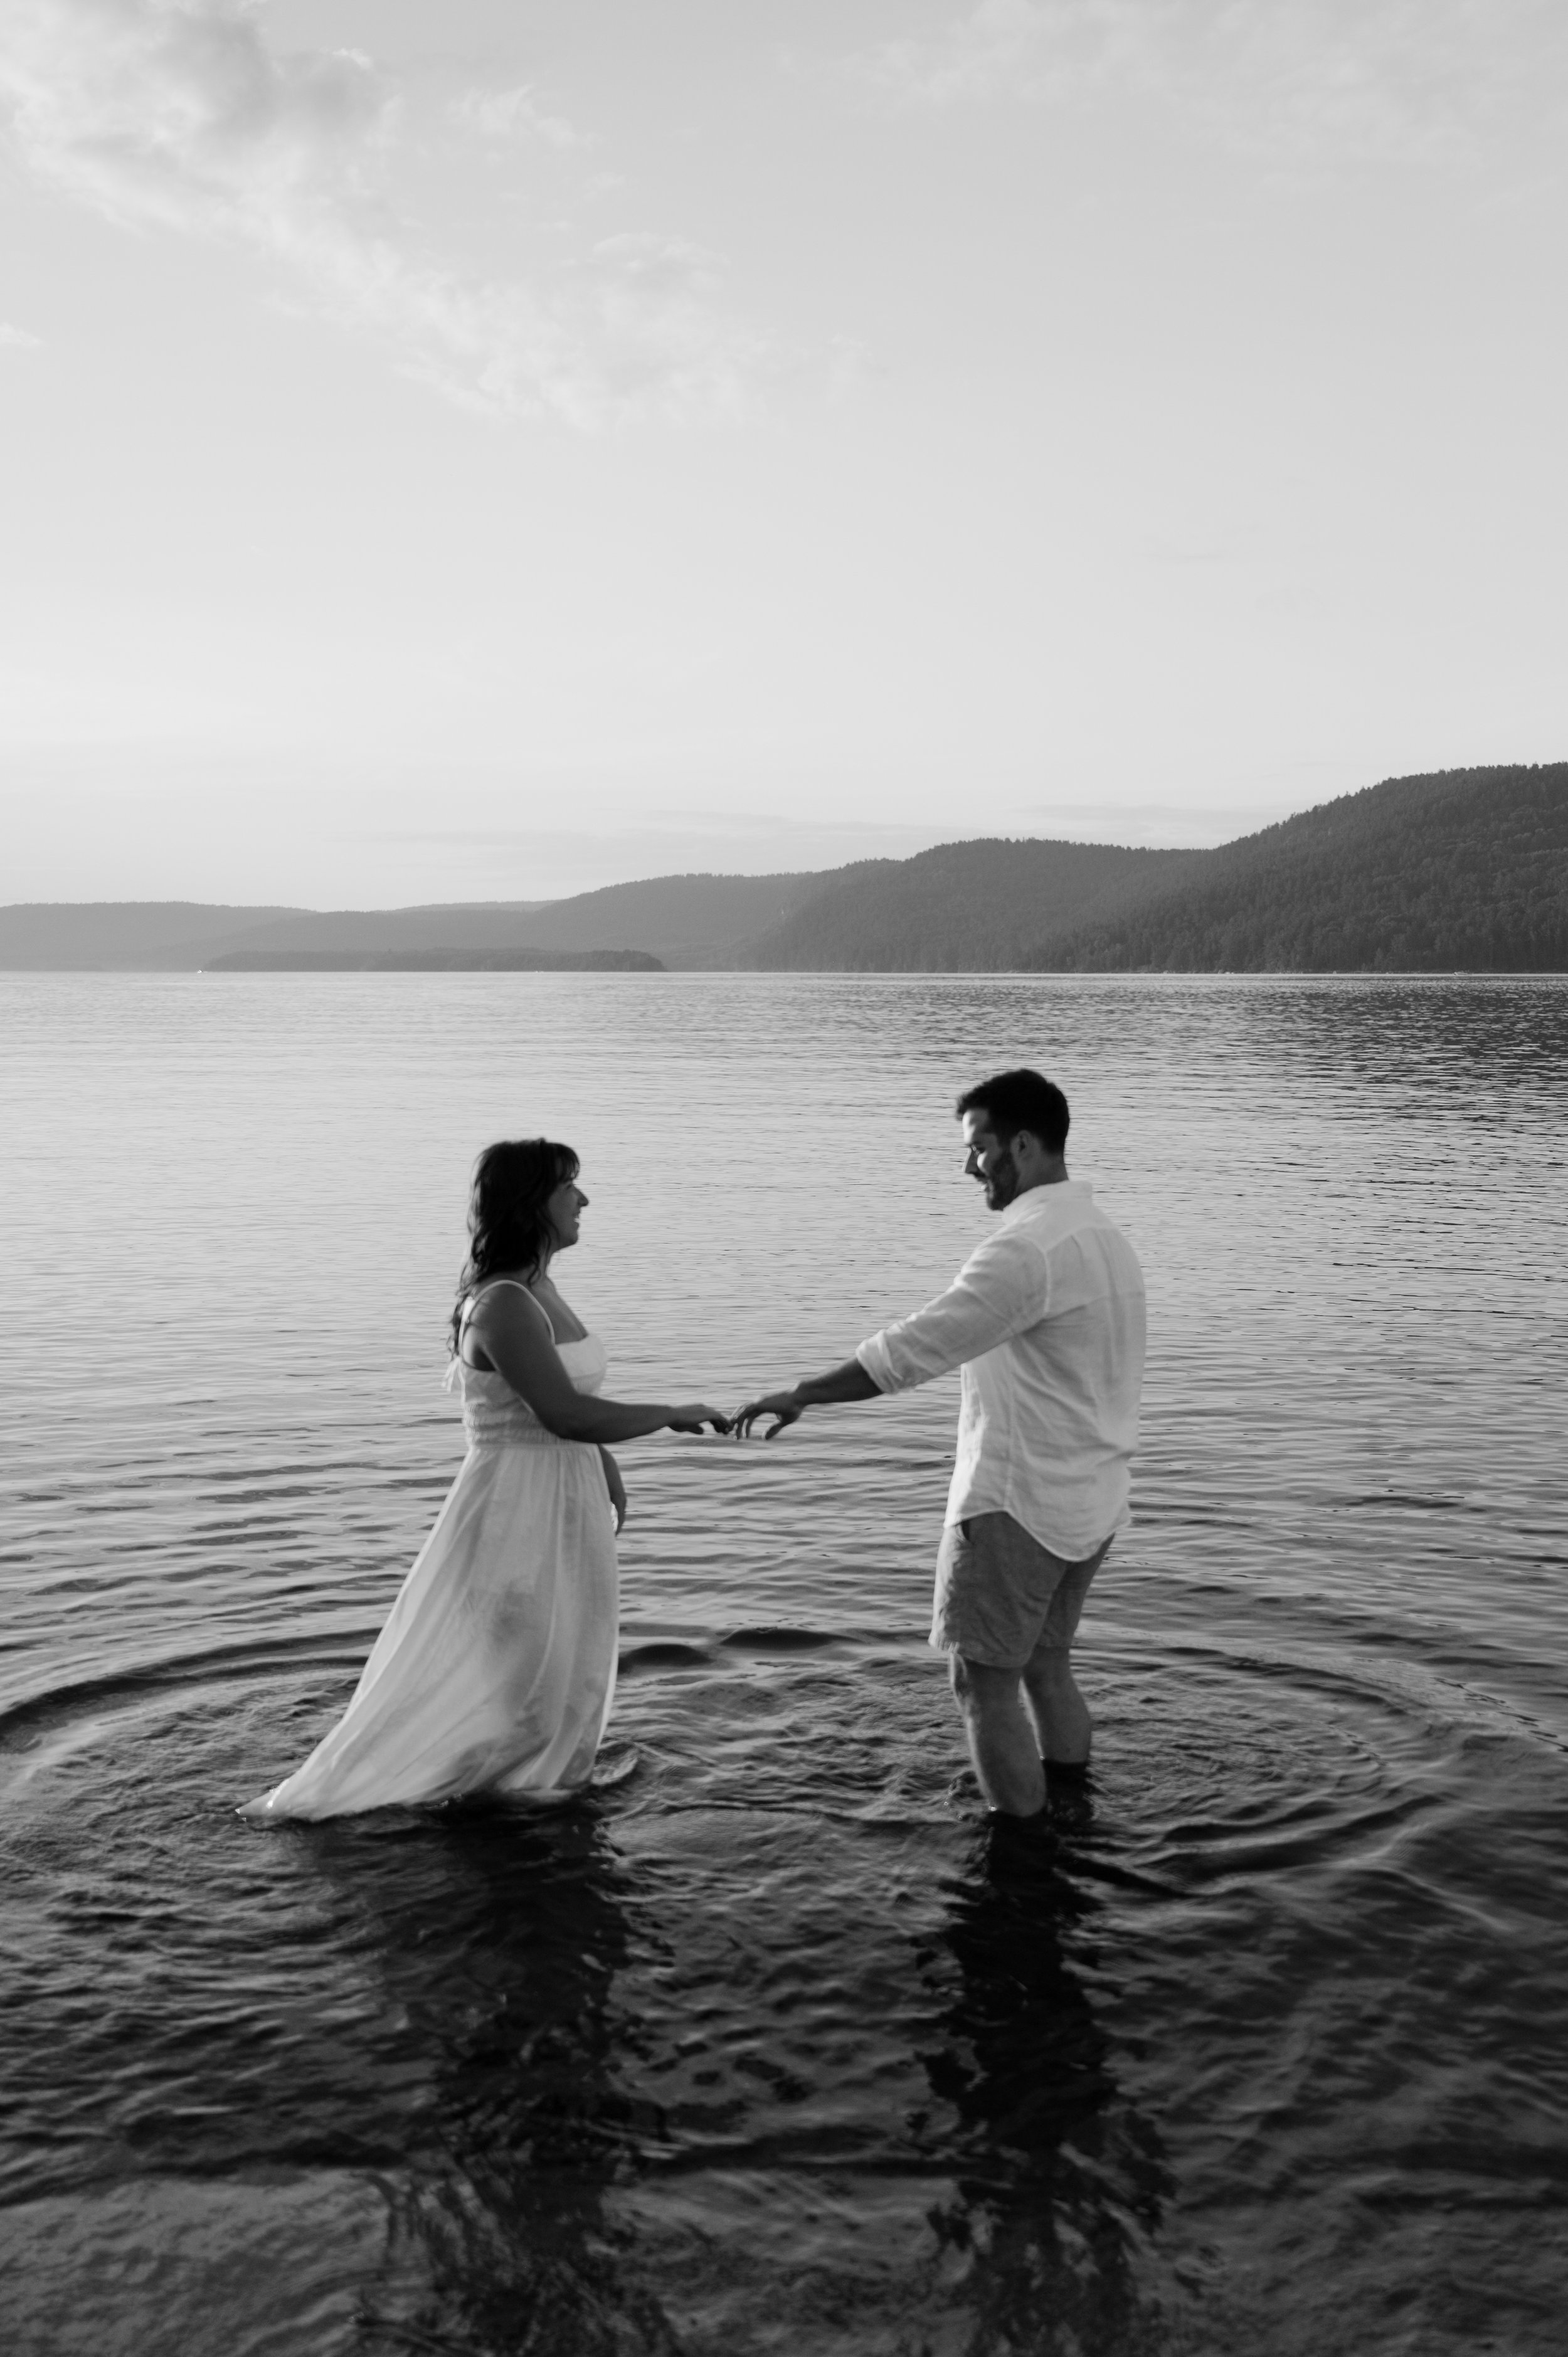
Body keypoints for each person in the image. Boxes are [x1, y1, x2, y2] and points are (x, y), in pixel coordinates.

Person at [243, 1138, 729, 1819]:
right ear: (533, 1203)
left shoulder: (541, 1288)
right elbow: (560, 1411)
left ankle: (529, 1793)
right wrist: (669, 1414)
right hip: (514, 1508)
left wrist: (603, 1459)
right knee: (522, 1663)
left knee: (565, 1657)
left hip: (562, 1495)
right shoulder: (504, 1303)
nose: (584, 1200)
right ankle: (470, 1797)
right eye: (570, 1187)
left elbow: (548, 1406)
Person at [736, 1069, 1145, 1821]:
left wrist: (802, 1393)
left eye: (979, 1148)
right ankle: (1071, 1815)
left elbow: (914, 1349)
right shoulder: (1105, 1237)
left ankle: (1021, 1864)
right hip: (1092, 1498)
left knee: (981, 1684)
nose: (969, 1167)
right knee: (1047, 1665)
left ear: (1021, 1144)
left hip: (1018, 1504)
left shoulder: (1028, 1248)